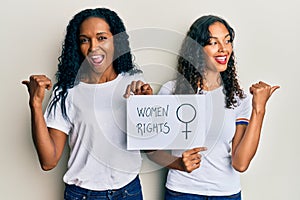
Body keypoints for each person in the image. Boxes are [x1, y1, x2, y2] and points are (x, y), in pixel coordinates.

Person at [22, 8, 151, 200]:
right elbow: (48, 161)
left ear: (116, 40)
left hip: (128, 191)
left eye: (101, 38)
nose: (93, 47)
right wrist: (36, 104)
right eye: (85, 40)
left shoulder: (134, 82)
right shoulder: (66, 91)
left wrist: (145, 108)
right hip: (84, 194)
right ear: (77, 46)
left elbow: (149, 148)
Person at [146, 15, 279, 199]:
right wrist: (178, 163)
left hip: (225, 193)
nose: (223, 49)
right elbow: (151, 150)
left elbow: (240, 163)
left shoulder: (238, 98)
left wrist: (259, 109)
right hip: (182, 192)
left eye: (227, 41)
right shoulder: (172, 91)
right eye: (213, 43)